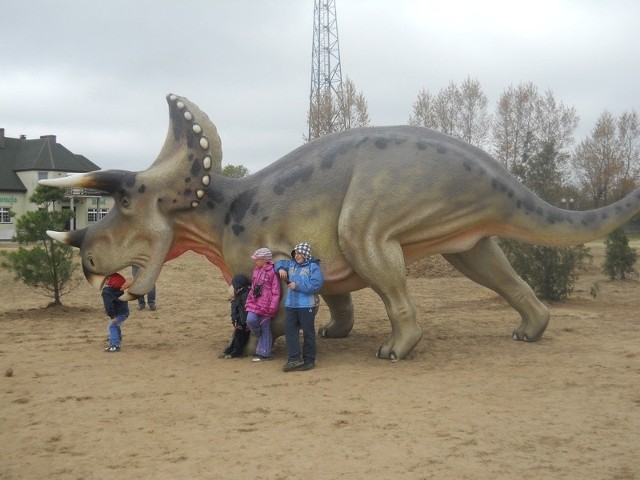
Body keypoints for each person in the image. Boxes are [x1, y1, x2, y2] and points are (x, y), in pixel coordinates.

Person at [275, 242, 324, 372]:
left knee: (308, 333)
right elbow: (278, 263)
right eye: (296, 253)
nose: (297, 256)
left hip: (306, 305)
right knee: (290, 331)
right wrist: (280, 269)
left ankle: (309, 360)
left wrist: (297, 285)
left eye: (299, 253)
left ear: (306, 254)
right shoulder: (291, 264)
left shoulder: (313, 267)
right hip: (291, 305)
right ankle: (294, 359)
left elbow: (316, 285)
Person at [244, 247, 281, 362]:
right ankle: (258, 333)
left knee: (265, 327)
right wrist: (249, 300)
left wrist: (272, 306)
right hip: (255, 302)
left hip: (266, 305)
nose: (255, 261)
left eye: (257, 259)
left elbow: (276, 291)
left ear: (265, 260)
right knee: (250, 320)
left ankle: (264, 353)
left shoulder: (272, 273)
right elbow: (253, 286)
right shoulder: (256, 270)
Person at [220, 274, 251, 359]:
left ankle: (236, 351)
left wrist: (245, 322)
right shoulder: (239, 295)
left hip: (244, 322)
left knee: (240, 336)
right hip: (239, 320)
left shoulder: (244, 295)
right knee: (236, 335)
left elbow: (245, 310)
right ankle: (230, 349)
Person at [102, 272, 130, 353]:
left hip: (120, 313)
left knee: (112, 326)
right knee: (115, 324)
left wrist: (112, 316)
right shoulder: (119, 289)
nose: (106, 281)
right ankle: (118, 337)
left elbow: (108, 305)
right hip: (125, 312)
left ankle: (115, 345)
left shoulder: (107, 292)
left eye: (108, 279)